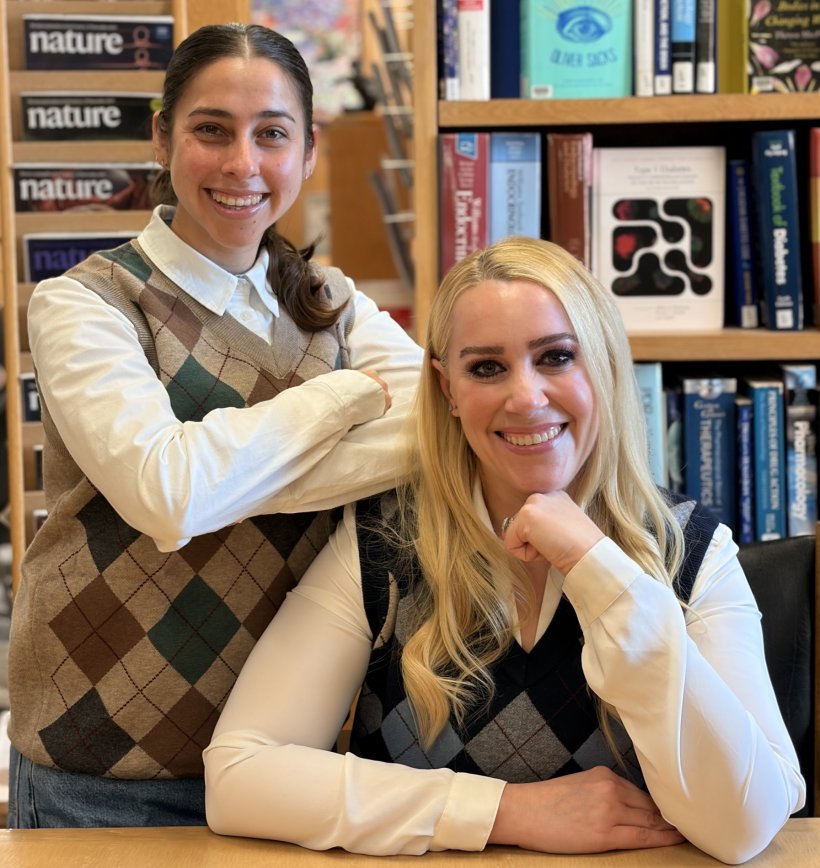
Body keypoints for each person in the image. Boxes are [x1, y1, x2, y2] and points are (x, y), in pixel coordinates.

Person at [204, 236, 805, 863]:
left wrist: (596, 568)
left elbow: (746, 825)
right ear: (447, 391)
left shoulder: (694, 550)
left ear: (602, 365)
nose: (526, 397)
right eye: (487, 367)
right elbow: (240, 776)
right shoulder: (383, 539)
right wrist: (505, 812)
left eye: (556, 357)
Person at [7, 23, 422, 828]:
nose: (243, 164)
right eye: (211, 130)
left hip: (289, 755)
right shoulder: (87, 301)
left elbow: (443, 436)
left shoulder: (331, 300)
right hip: (104, 758)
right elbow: (167, 495)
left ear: (307, 151)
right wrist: (338, 401)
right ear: (163, 139)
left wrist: (221, 479)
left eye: (272, 134)